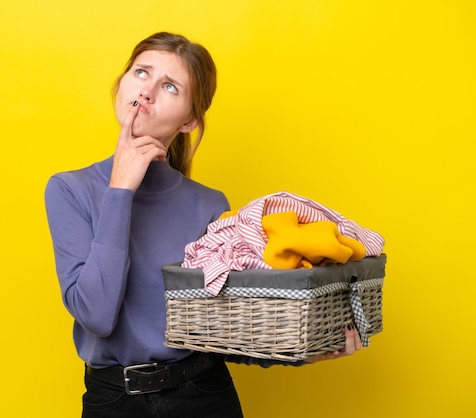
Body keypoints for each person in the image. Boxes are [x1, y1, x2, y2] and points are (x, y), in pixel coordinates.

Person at [44, 31, 362, 418]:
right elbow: (96, 315)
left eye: (170, 86)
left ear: (190, 120)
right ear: (121, 83)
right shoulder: (69, 190)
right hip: (113, 402)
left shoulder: (209, 205)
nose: (147, 92)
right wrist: (120, 190)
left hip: (202, 397)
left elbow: (222, 329)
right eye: (141, 72)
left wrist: (302, 353)